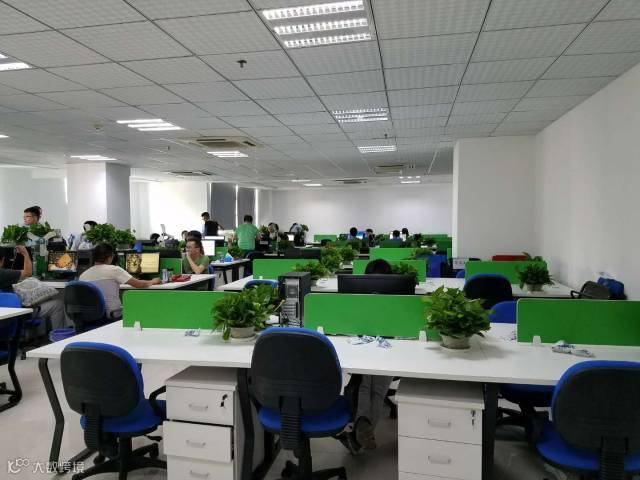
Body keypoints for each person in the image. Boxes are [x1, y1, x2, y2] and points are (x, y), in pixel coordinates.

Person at [340, 258, 394, 453]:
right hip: (363, 346)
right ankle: (362, 430)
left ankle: (361, 430)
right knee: (365, 385)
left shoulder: (397, 301)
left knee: (377, 390)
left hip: (389, 350)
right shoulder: (359, 299)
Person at [79, 243, 161, 317]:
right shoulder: (114, 270)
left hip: (90, 317)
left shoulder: (82, 276)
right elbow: (139, 284)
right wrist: (153, 281)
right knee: (139, 309)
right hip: (112, 314)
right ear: (110, 257)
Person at [0, 245, 67, 330]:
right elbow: (28, 272)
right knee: (58, 304)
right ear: (2, 260)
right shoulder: (4, 274)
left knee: (47, 299)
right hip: (17, 315)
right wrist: (25, 253)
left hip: (5, 315)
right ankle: (58, 336)